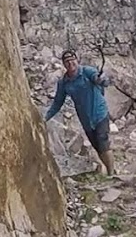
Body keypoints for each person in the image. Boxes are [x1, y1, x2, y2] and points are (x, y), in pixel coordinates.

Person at [44, 48, 116, 176]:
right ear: (64, 64)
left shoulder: (87, 71)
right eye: (67, 61)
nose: (70, 63)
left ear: (77, 60)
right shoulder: (64, 83)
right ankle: (109, 170)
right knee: (97, 147)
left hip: (99, 113)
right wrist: (45, 118)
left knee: (103, 142)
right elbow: (57, 103)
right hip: (86, 120)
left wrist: (101, 80)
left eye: (72, 60)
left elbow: (99, 79)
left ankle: (112, 174)